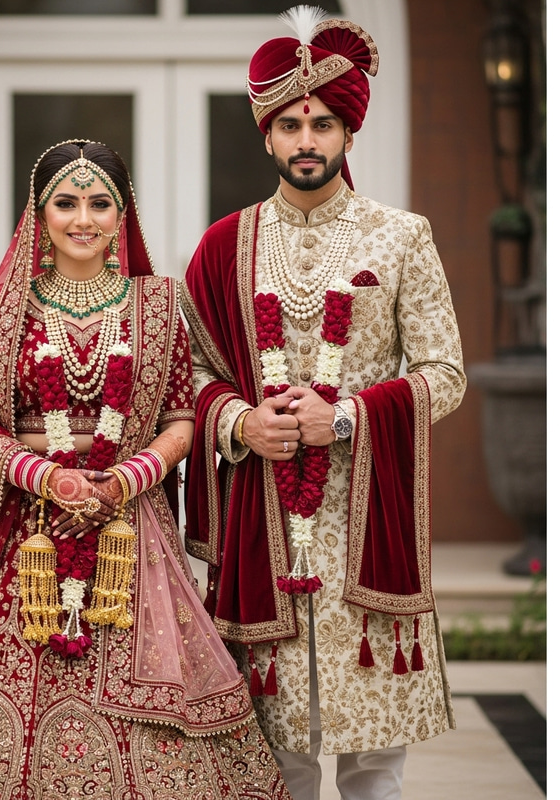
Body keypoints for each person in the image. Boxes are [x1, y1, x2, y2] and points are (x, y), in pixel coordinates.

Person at [0, 140, 292, 799]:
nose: (83, 218)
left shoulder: (158, 305)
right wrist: (43, 475)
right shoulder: (6, 311)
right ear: (38, 216)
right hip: (26, 534)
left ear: (122, 213)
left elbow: (181, 417)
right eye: (66, 203)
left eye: (100, 203)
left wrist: (127, 479)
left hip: (132, 530)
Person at [181, 7, 466, 800]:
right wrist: (239, 421)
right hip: (261, 528)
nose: (308, 139)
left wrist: (343, 417)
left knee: (376, 766)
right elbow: (191, 378)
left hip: (368, 522)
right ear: (267, 136)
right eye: (291, 124)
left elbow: (445, 372)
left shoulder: (403, 236)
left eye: (325, 123)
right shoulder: (221, 246)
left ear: (348, 134)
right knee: (278, 761)